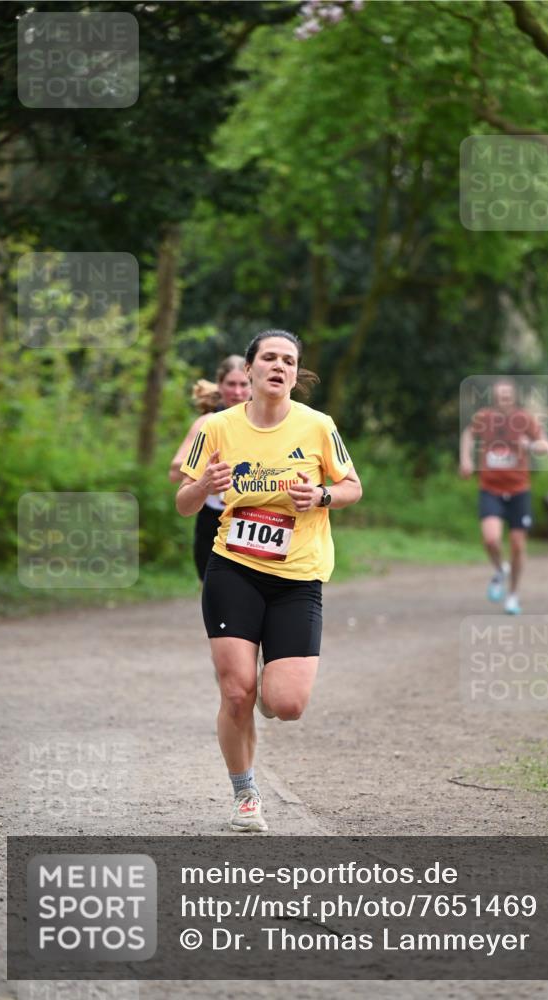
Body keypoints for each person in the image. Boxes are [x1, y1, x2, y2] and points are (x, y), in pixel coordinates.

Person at [175, 329, 362, 832]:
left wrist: (321, 496)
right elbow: (183, 502)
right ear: (251, 370)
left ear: (296, 375)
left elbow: (352, 486)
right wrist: (203, 487)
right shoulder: (218, 426)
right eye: (270, 358)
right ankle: (246, 795)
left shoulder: (318, 426)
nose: (280, 366)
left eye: (289, 361)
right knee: (235, 693)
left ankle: (264, 686)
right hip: (232, 568)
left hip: (297, 576)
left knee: (286, 703)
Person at [459, 377, 548, 615]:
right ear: (494, 398)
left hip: (519, 490)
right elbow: (468, 435)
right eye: (500, 397)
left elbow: (546, 446)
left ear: (514, 398)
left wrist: (529, 446)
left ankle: (513, 596)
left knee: (518, 545)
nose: (504, 401)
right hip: (490, 488)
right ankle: (501, 569)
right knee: (490, 539)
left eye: (507, 396)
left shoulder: (524, 419)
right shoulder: (485, 417)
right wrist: (466, 459)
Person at [170, 357, 250, 580]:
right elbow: (175, 469)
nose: (237, 391)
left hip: (250, 518)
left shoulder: (264, 422)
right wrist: (205, 473)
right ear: (220, 385)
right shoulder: (209, 422)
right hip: (213, 520)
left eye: (244, 384)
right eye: (231, 384)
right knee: (217, 601)